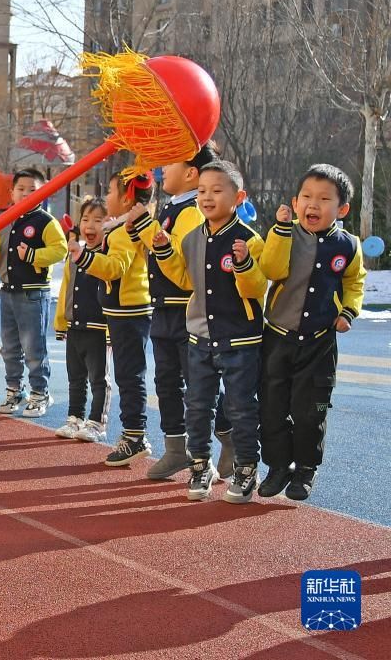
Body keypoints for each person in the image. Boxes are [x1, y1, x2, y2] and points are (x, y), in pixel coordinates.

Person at [152, 160, 267, 503]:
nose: (207, 197)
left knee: (241, 406)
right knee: (198, 405)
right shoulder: (191, 239)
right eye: (202, 191)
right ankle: (200, 465)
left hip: (240, 340)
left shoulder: (250, 240)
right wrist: (163, 251)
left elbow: (256, 288)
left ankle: (247, 467)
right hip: (200, 337)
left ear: (238, 197)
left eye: (217, 191)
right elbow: (187, 280)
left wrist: (244, 264)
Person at [257, 164, 366, 501]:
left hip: (319, 343)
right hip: (277, 337)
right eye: (306, 197)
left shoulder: (348, 245)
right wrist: (279, 229)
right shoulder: (283, 234)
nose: (313, 205)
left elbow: (354, 281)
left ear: (342, 209)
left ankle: (305, 469)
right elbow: (270, 269)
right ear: (295, 200)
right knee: (271, 408)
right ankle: (277, 467)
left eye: (323, 199)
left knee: (310, 411)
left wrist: (348, 311)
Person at [127, 142, 234, 479]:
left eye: (170, 162)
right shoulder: (171, 208)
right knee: (167, 383)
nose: (161, 169)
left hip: (186, 313)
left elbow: (186, 274)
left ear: (191, 174)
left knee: (199, 386)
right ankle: (176, 449)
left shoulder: (191, 212)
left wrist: (148, 232)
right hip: (163, 310)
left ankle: (223, 443)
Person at [70, 172, 153, 464]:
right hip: (123, 311)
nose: (106, 198)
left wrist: (84, 258)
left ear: (127, 198)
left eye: (111, 193)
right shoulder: (118, 229)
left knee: (129, 375)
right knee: (127, 374)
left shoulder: (124, 231)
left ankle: (134, 435)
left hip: (129, 313)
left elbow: (116, 267)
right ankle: (134, 433)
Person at [0, 168, 66, 418]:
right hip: (8, 291)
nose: (26, 193)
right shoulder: (6, 219)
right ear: (12, 192)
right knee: (9, 347)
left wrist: (33, 257)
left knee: (33, 346)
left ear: (44, 193)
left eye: (33, 190)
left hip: (32, 293)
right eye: (21, 189)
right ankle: (14, 389)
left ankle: (40, 393)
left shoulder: (45, 222)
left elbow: (59, 250)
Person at [54, 197, 110, 442]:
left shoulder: (107, 256)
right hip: (75, 325)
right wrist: (61, 321)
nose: (91, 225)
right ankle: (74, 417)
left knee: (99, 378)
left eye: (99, 220)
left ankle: (97, 421)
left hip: (98, 327)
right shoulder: (76, 254)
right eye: (86, 219)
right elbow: (66, 288)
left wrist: (111, 329)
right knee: (75, 377)